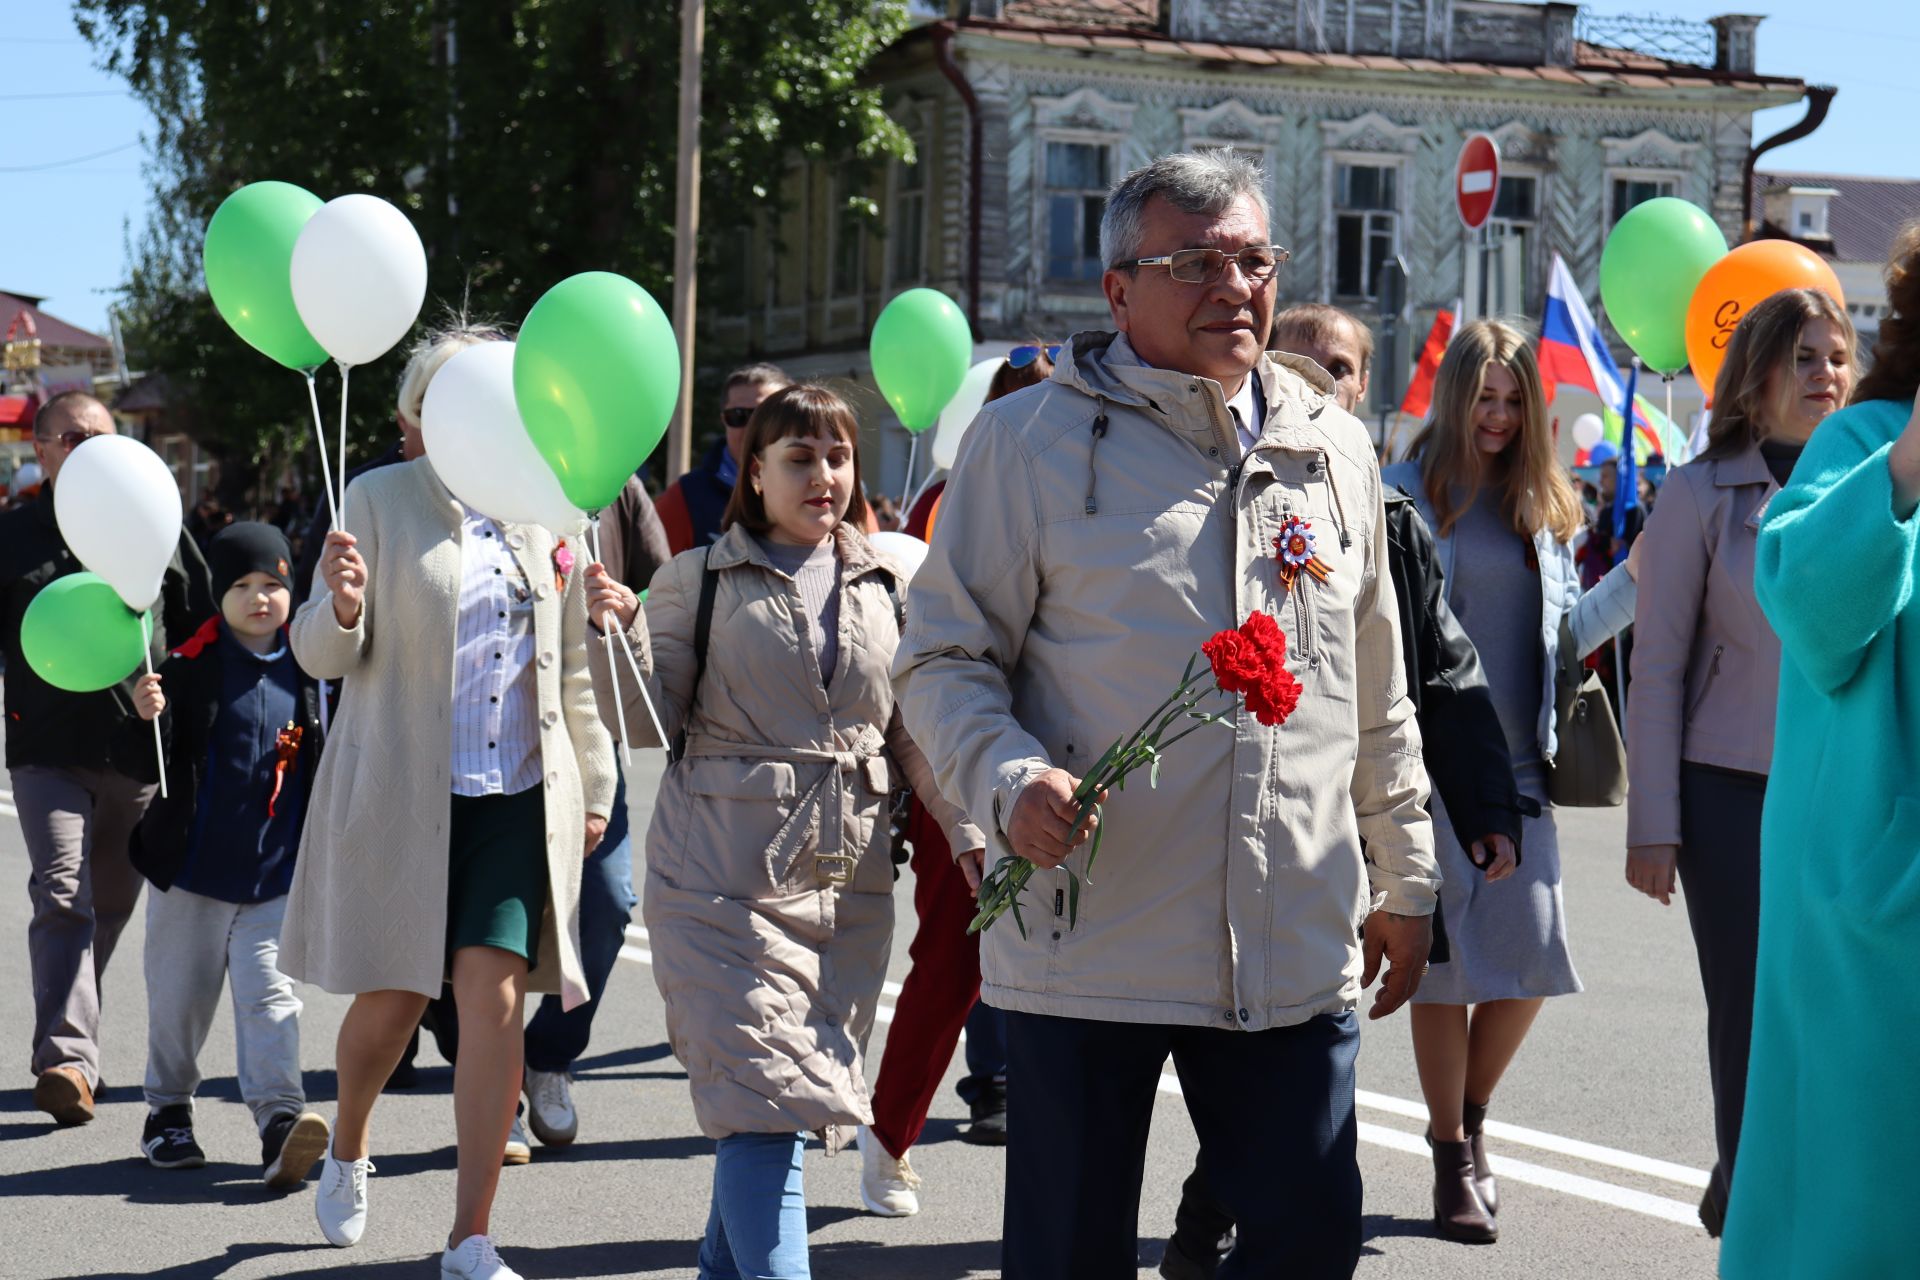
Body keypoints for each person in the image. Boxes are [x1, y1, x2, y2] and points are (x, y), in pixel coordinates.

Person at [896, 150, 1436, 1279]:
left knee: (1307, 1244)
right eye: (1194, 262)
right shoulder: (1027, 443)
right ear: (1118, 290)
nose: (1232, 286)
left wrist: (1407, 873)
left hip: (1286, 943)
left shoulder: (1333, 446)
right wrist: (1006, 776)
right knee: (1070, 1257)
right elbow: (943, 657)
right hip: (1090, 943)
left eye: (1252, 259)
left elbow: (1375, 682)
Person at [582, 383, 984, 1280]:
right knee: (768, 1104)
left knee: (785, 1106)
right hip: (720, 886)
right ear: (753, 474)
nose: (824, 476)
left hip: (847, 893)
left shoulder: (891, 582)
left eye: (838, 457)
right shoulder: (696, 580)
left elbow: (913, 731)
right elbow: (645, 720)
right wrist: (612, 637)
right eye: (800, 459)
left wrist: (965, 831)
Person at [1159, 304, 1529, 1278]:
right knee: (1252, 1064)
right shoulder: (1222, 483)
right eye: (1310, 359)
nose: (1328, 377)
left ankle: (1223, 1228)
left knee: (1299, 1076)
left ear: (1364, 384)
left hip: (1341, 836)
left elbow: (1437, 675)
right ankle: (1213, 1227)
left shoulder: (1385, 510)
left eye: (1346, 365)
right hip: (1218, 836)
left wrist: (1485, 805)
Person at [286, 328, 617, 1279]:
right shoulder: (379, 500)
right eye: (450, 401)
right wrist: (342, 607)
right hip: (403, 792)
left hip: (512, 800)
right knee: (389, 1009)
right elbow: (319, 653)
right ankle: (348, 1144)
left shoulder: (548, 512)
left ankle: (471, 1237)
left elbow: (576, 675)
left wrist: (594, 782)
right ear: (417, 419)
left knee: (497, 1003)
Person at [1380, 321, 1638, 1244]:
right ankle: (1451, 1154)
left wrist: (1642, 578)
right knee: (1445, 976)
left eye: (1514, 398)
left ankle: (1473, 1113)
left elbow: (1566, 647)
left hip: (1525, 765)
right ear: (1454, 398)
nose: (1497, 415)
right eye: (1483, 396)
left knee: (1527, 960)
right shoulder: (1402, 496)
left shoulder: (1545, 508)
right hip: (1430, 767)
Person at [1623, 287, 1854, 1238]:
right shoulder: (1697, 492)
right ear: (1755, 374)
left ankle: (1762, 1182)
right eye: (1804, 357)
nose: (1827, 376)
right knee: (1753, 1011)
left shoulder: (1873, 479)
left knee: (1841, 1007)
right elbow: (1660, 665)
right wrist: (1654, 826)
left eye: (1839, 357)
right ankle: (1753, 1197)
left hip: (1848, 787)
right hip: (1733, 795)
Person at [1724, 224, 1920, 1278]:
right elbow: (1801, 598)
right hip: (1877, 923)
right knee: (1850, 1219)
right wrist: (1910, 464)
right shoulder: (1865, 441)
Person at [857, 341, 1056, 1218]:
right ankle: (887, 1138)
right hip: (972, 759)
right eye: (1025, 404)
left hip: (1085, 758)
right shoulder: (953, 498)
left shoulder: (1106, 483)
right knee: (955, 957)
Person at [0, 391, 214, 1127]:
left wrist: (179, 698)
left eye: (102, 436)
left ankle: (73, 1037)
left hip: (135, 751)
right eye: (72, 438)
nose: (88, 449)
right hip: (44, 753)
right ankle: (67, 1060)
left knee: (112, 905)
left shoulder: (150, 517)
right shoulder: (13, 536)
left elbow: (199, 623)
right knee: (62, 895)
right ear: (41, 448)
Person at [128, 522, 333, 1186]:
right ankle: (167, 1113)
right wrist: (143, 714)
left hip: (273, 882)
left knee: (272, 1002)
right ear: (218, 594)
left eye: (272, 584)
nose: (258, 598)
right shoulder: (187, 670)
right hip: (190, 877)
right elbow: (142, 765)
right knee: (179, 1005)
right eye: (241, 586)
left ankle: (281, 1122)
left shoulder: (312, 673)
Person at [510, 468, 670, 1152]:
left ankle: (547, 1055)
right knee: (493, 920)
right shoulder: (478, 458)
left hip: (584, 730)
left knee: (605, 901)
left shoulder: (611, 476)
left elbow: (661, 589)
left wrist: (626, 605)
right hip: (488, 734)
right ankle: (486, 1082)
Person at [655, 363, 791, 554]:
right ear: (723, 421)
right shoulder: (685, 497)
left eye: (765, 415)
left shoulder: (818, 488)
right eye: (738, 416)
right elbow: (652, 578)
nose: (752, 427)